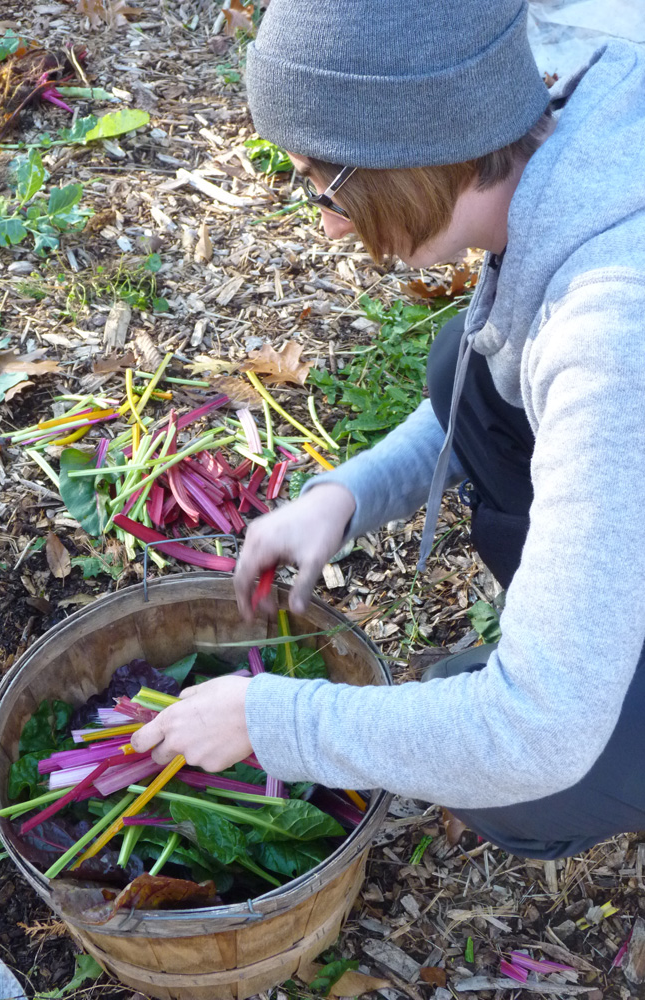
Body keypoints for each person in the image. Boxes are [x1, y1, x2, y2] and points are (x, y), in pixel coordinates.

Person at [132, 0, 645, 860]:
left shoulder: (611, 329)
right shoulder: (564, 134)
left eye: (324, 186)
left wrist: (272, 722)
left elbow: (539, 736)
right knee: (464, 363)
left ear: (414, 152)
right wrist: (347, 493)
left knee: (531, 787)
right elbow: (489, 377)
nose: (325, 222)